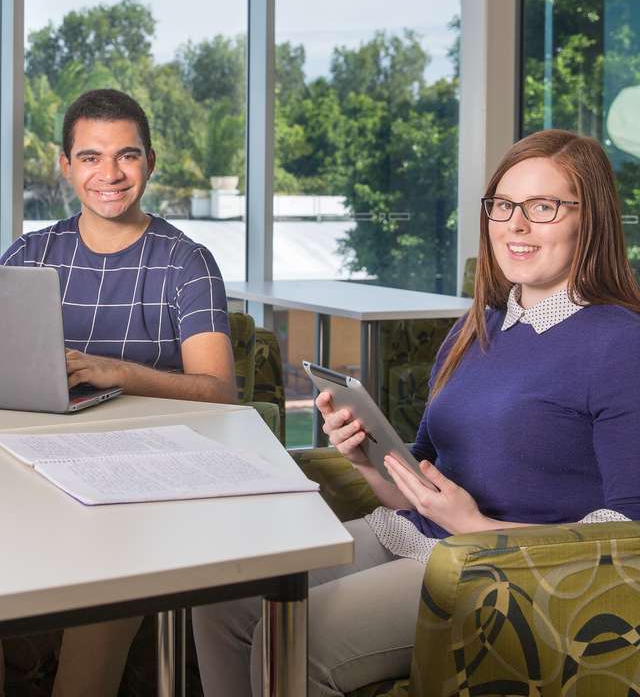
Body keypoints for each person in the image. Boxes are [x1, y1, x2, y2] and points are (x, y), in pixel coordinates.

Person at [192, 128, 640, 697]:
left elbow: (627, 537)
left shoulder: (621, 343)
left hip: (497, 569)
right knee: (222, 599)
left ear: (591, 218)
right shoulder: (476, 327)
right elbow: (418, 481)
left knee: (296, 643)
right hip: (410, 533)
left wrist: (474, 527)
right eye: (503, 206)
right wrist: (369, 460)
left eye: (542, 207)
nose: (515, 226)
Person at [0, 88, 236, 697]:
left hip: (145, 479)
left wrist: (119, 372)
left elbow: (221, 393)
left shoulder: (187, 262)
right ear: (65, 166)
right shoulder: (29, 255)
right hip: (34, 467)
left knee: (105, 591)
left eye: (126, 156)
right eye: (90, 157)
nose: (109, 174)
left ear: (149, 162)